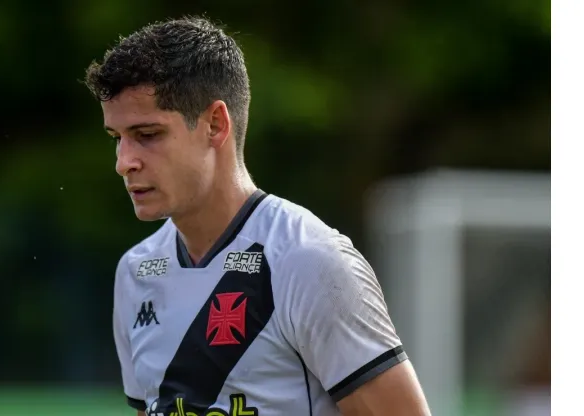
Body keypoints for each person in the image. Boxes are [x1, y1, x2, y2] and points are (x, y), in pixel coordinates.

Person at [85, 16, 431, 416]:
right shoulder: (136, 271)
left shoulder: (309, 260)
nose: (124, 162)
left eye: (147, 135)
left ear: (215, 124)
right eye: (118, 139)